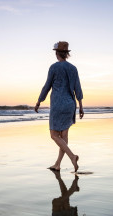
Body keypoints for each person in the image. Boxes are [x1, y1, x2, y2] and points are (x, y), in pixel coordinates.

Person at [34, 41, 84, 172]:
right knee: (64, 135)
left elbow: (47, 86)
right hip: (70, 105)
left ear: (57, 53)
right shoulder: (73, 68)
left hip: (58, 104)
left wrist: (39, 101)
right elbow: (77, 88)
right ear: (66, 54)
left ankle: (72, 156)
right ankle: (57, 164)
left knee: (54, 135)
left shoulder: (54, 67)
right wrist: (81, 106)